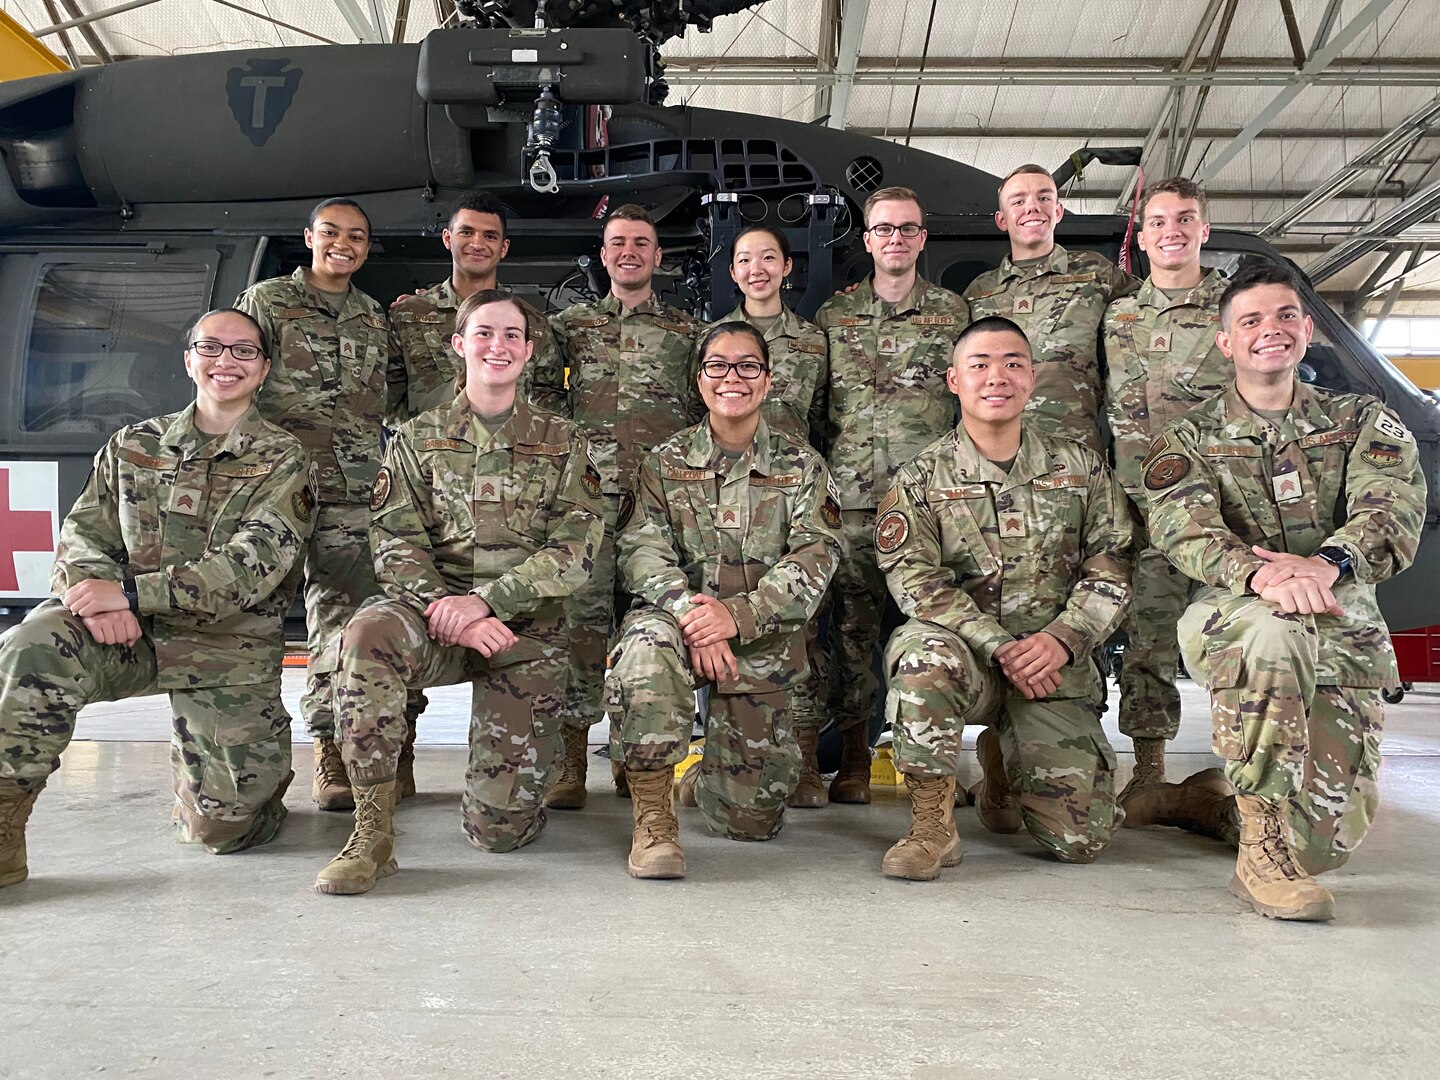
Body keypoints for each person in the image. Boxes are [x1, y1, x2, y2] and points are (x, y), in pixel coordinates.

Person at [1146, 259, 1425, 921]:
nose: (1269, 330)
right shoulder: (1190, 438)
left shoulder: (1363, 420)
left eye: (1284, 316)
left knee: (1323, 847)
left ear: (1305, 328)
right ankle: (1259, 853)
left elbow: (1392, 511)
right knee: (1274, 628)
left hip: (1338, 620)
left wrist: (1327, 564)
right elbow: (1179, 523)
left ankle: (1217, 808)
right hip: (1236, 615)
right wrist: (1261, 573)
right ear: (1226, 341)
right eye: (1250, 320)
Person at [0, 309, 315, 885]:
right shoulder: (131, 445)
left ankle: (232, 788)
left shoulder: (284, 459)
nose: (227, 361)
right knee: (31, 643)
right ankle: (2, 828)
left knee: (224, 832)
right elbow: (84, 536)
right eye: (212, 347)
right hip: (126, 635)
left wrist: (130, 595)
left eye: (244, 351)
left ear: (264, 369)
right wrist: (92, 597)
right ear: (189, 359)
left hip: (226, 647)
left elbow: (251, 568)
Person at [315, 290, 604, 895]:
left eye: (511, 336)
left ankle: (510, 794)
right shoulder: (416, 439)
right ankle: (372, 831)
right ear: (459, 345)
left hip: (523, 629)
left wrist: (489, 603)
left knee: (500, 831)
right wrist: (450, 610)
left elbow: (574, 548)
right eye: (484, 333)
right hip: (432, 616)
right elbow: (395, 542)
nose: (497, 346)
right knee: (366, 634)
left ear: (529, 351)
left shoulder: (565, 442)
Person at [878, 316, 1134, 879]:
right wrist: (997, 645)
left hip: (1051, 666)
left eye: (1013, 363)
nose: (998, 376)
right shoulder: (921, 476)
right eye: (980, 364)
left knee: (1080, 840)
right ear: (953, 380)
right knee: (919, 655)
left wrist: (1064, 640)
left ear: (1033, 377)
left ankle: (1002, 764)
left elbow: (1113, 563)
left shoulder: (1080, 467)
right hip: (967, 659)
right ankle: (931, 826)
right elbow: (913, 578)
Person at [604, 322, 841, 878]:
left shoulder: (801, 465)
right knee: (643, 653)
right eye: (718, 366)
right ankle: (653, 816)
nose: (731, 377)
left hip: (759, 637)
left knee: (748, 821)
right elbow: (640, 550)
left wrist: (735, 617)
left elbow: (818, 553)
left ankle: (709, 774)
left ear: (767, 379)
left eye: (747, 366)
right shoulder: (664, 462)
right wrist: (691, 614)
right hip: (676, 627)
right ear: (699, 378)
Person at [235, 197, 422, 813]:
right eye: (333, 232)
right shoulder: (266, 303)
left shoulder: (373, 316)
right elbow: (233, 379)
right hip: (276, 490)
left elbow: (393, 399)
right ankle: (247, 765)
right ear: (309, 236)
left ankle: (339, 751)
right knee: (254, 623)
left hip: (353, 493)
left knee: (343, 620)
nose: (345, 244)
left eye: (359, 237)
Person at [543, 204, 701, 809]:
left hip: (657, 511)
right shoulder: (571, 328)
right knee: (580, 631)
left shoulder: (687, 334)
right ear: (603, 255)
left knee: (649, 634)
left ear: (658, 257)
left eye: (641, 243)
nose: (629, 252)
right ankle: (570, 760)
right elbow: (539, 399)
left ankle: (637, 760)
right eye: (618, 243)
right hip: (585, 507)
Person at [815, 185, 968, 804]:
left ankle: (927, 764)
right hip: (852, 501)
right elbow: (822, 410)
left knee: (930, 629)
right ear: (868, 238)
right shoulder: (835, 317)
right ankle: (853, 756)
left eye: (907, 229)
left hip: (929, 505)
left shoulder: (954, 315)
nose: (895, 239)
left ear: (922, 239)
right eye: (884, 229)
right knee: (853, 633)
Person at [1101, 176, 1235, 830]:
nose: (1172, 231)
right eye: (1158, 221)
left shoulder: (1235, 311)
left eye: (1185, 219)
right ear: (1143, 233)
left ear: (1204, 230)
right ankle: (1148, 772)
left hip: (1216, 507)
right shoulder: (1119, 312)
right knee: (1147, 638)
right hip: (1136, 504)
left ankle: (1255, 769)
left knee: (1231, 637)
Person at [710, 225, 832, 807]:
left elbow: (831, 417)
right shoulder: (713, 339)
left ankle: (807, 759)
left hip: (792, 496)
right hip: (724, 499)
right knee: (716, 625)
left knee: (801, 629)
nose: (756, 268)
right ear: (731, 272)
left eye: (768, 258)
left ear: (787, 267)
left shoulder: (813, 339)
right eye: (743, 260)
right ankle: (712, 756)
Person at [965, 164, 1137, 452]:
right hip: (996, 455)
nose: (1032, 208)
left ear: (1058, 211)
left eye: (1044, 198)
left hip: (1074, 453)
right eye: (1018, 201)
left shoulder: (1096, 274)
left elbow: (1157, 307)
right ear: (1001, 219)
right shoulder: (979, 293)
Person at [389, 192, 560, 420]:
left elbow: (548, 403)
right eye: (466, 232)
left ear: (504, 247)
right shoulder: (409, 315)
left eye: (490, 236)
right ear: (448, 238)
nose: (477, 244)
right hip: (428, 452)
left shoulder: (533, 323)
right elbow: (385, 400)